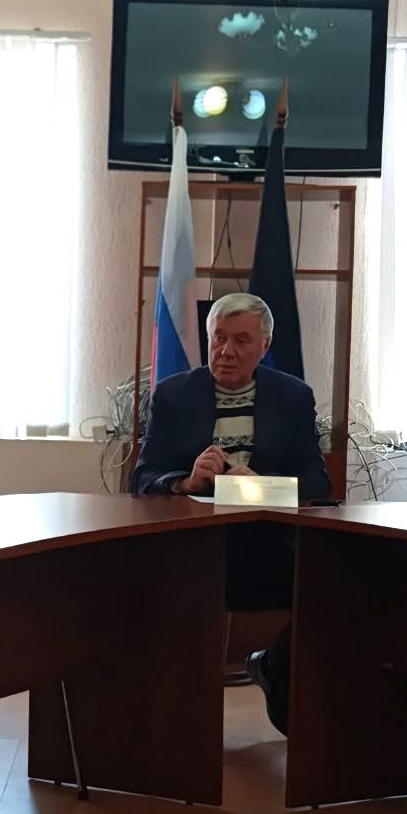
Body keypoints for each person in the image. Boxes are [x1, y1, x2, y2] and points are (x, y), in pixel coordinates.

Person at [133, 292, 330, 735]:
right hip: (193, 545)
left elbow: (317, 484)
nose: (226, 351)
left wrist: (259, 484)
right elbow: (143, 477)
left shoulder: (293, 397)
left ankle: (277, 669)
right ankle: (175, 722)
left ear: (265, 346)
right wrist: (186, 482)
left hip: (266, 544)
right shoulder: (173, 395)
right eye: (218, 338)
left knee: (331, 582)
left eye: (241, 340)